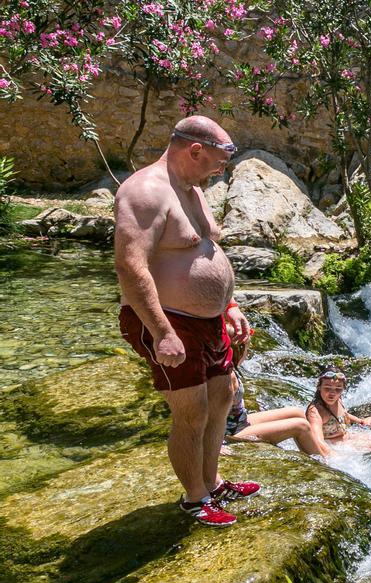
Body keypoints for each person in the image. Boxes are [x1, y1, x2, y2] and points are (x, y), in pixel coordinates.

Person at [114, 115, 259, 527]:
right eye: (218, 160)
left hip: (207, 319)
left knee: (222, 395)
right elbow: (130, 266)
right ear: (194, 149)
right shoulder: (145, 192)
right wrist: (162, 332)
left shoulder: (192, 190)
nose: (222, 170)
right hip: (168, 319)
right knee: (192, 411)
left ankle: (212, 482)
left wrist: (228, 305)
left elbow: (206, 252)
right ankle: (195, 499)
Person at [225, 338, 328, 458]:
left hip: (238, 422)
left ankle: (323, 451)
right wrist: (217, 445)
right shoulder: (227, 377)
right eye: (247, 349)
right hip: (229, 433)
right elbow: (211, 413)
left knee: (296, 412)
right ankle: (325, 463)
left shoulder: (231, 368)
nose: (248, 353)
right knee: (301, 426)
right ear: (239, 351)